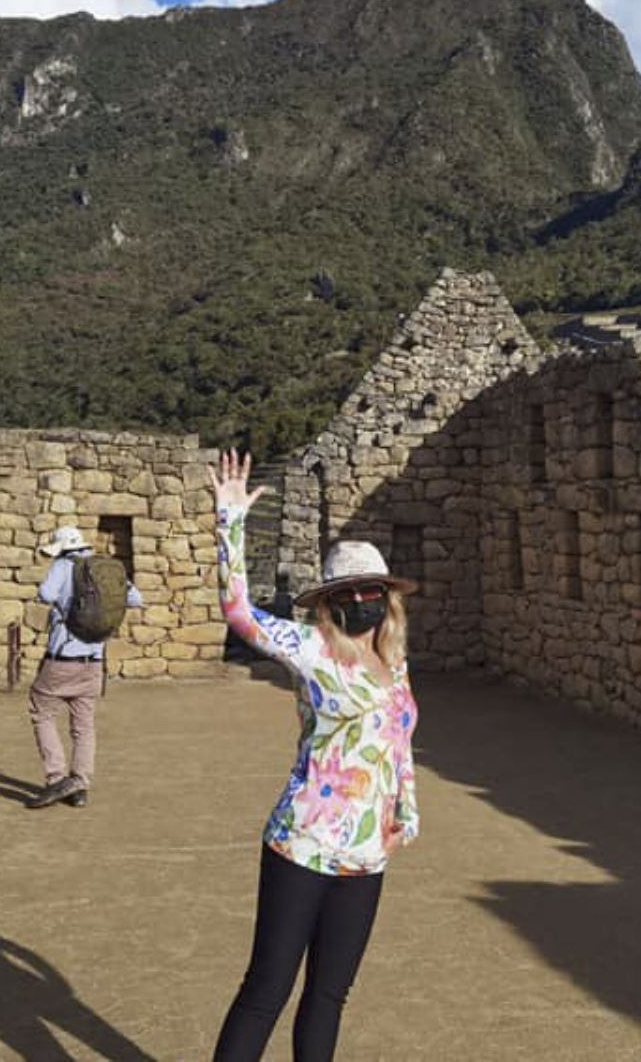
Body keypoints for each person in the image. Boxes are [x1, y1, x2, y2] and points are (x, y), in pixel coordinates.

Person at [208, 451, 421, 1062]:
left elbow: (398, 738)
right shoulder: (311, 650)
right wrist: (230, 523)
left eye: (371, 590)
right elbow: (240, 615)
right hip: (302, 844)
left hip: (365, 855)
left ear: (386, 596)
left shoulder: (394, 660)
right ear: (329, 601)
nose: (362, 599)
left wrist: (405, 809)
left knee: (329, 994)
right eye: (349, 591)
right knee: (267, 989)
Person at [25, 525, 143, 809]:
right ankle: (79, 785)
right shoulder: (106, 568)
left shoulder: (64, 564)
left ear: (62, 547)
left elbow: (45, 594)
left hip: (63, 657)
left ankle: (56, 779)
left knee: (40, 710)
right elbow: (136, 599)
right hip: (94, 661)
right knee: (83, 724)